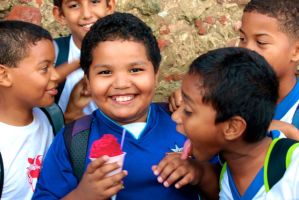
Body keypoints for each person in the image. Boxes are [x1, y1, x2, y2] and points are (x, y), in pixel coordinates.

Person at [33, 12, 202, 200]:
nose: (121, 83)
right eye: (105, 72)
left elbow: (225, 188)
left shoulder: (183, 125)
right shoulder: (74, 140)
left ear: (155, 75)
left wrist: (200, 172)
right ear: (87, 81)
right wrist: (82, 195)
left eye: (135, 70)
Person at [173, 47, 299, 199]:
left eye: (188, 110)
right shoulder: (228, 176)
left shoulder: (293, 169)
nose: (175, 117)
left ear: (233, 128)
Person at [169, 0, 299, 138]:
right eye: (243, 39)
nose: (247, 50)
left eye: (261, 42)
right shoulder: (229, 94)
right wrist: (191, 100)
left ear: (296, 51)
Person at [0, 20, 59, 199]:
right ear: (4, 75)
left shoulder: (51, 116)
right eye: (44, 68)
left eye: (54, 65)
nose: (56, 75)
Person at [51, 0, 116, 117]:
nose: (86, 14)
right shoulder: (52, 54)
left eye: (95, 2)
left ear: (109, 6)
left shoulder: (128, 52)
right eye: (74, 5)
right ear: (60, 15)